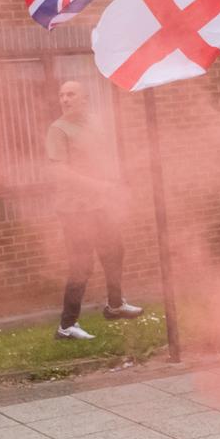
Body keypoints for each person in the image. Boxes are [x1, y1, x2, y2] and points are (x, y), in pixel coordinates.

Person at [47, 81, 142, 340]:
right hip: (74, 210)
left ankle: (115, 305)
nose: (65, 99)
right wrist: (99, 185)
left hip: (100, 205)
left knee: (115, 251)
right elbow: (59, 172)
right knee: (82, 265)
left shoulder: (95, 123)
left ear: (85, 99)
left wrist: (117, 183)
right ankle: (66, 326)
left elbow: (103, 159)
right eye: (62, 94)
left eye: (71, 94)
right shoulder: (58, 129)